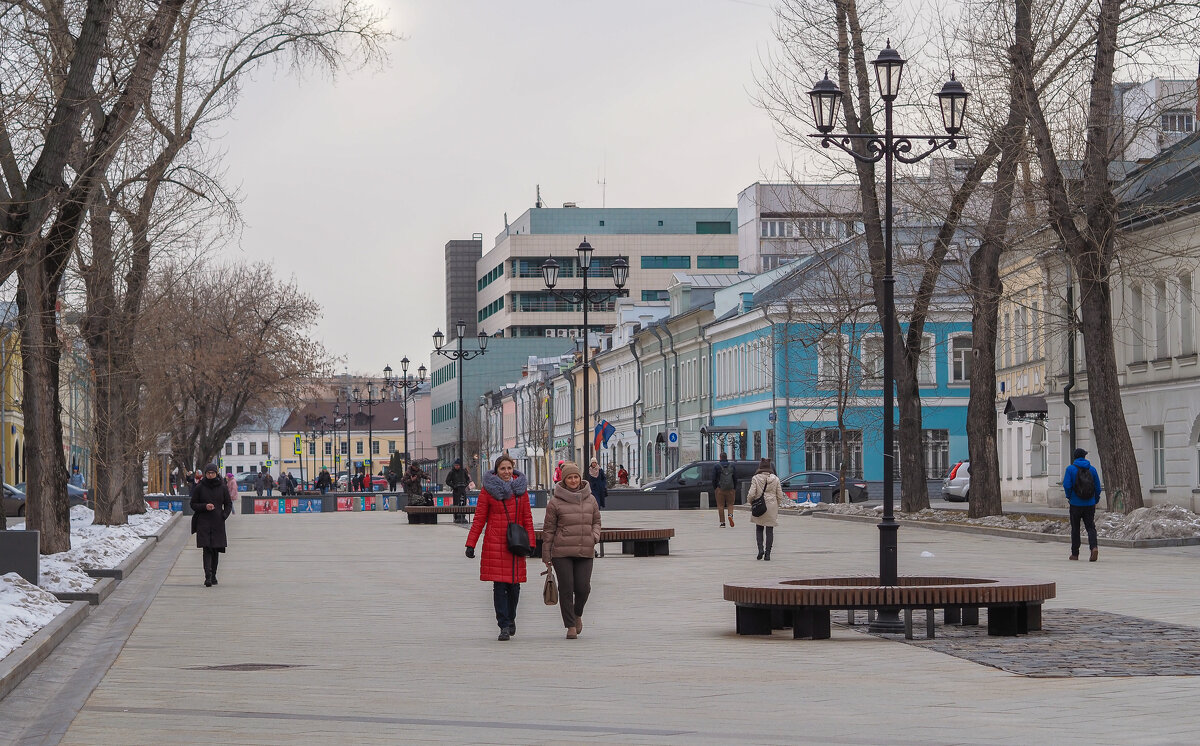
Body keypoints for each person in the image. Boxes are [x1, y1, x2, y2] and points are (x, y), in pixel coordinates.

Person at [465, 455, 536, 641]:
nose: (506, 472)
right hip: (496, 543)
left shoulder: (521, 490)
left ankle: (511, 618)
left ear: (513, 469)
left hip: (516, 544)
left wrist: (532, 543)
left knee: (514, 587)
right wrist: (470, 544)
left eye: (509, 468)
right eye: (502, 469)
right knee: (499, 586)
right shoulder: (488, 491)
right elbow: (479, 518)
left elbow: (527, 518)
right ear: (496, 471)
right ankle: (503, 625)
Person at [542, 461, 601, 639]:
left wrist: (594, 537)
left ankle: (578, 614)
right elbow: (549, 530)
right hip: (562, 552)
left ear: (580, 478)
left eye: (576, 477)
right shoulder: (554, 502)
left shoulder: (590, 499)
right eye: (570, 477)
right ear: (564, 480)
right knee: (566, 588)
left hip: (585, 549)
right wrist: (546, 554)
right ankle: (570, 626)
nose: (573, 480)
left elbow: (596, 521)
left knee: (583, 588)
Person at [190, 463, 233, 587]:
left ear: (216, 473)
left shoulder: (222, 487)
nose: (210, 475)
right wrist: (204, 506)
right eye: (208, 473)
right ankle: (207, 576)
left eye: (212, 473)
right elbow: (193, 504)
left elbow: (228, 504)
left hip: (218, 522)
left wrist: (224, 515)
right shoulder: (200, 487)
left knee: (216, 550)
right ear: (205, 474)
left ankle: (214, 574)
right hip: (203, 522)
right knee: (207, 549)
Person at [1063, 447, 1102, 562]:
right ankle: (1093, 547)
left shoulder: (1070, 469)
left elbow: (1067, 485)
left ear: (1074, 457)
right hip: (1089, 504)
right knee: (1091, 527)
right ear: (1084, 456)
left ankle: (1075, 554)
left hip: (1075, 504)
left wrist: (1069, 497)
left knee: (1075, 528)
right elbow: (1098, 487)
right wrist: (1095, 499)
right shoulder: (1093, 469)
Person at [747, 458, 786, 561]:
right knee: (770, 530)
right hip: (772, 506)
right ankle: (768, 554)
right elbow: (780, 495)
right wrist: (776, 504)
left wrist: (751, 502)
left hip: (760, 505)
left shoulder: (756, 478)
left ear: (760, 466)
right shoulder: (776, 479)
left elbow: (751, 493)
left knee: (759, 528)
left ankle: (760, 549)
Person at [711, 452, 737, 528]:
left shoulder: (716, 466)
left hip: (720, 489)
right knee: (730, 504)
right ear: (726, 457)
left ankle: (722, 523)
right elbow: (735, 478)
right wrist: (734, 488)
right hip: (730, 489)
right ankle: (730, 515)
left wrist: (715, 488)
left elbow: (713, 478)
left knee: (720, 505)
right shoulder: (732, 465)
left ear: (720, 457)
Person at [445, 458, 471, 524]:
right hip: (456, 490)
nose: (456, 467)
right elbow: (447, 481)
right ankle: (456, 517)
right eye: (455, 465)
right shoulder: (452, 472)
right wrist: (453, 486)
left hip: (462, 490)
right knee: (456, 504)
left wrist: (465, 484)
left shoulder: (463, 471)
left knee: (463, 503)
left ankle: (463, 516)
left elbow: (468, 479)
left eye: (458, 465)